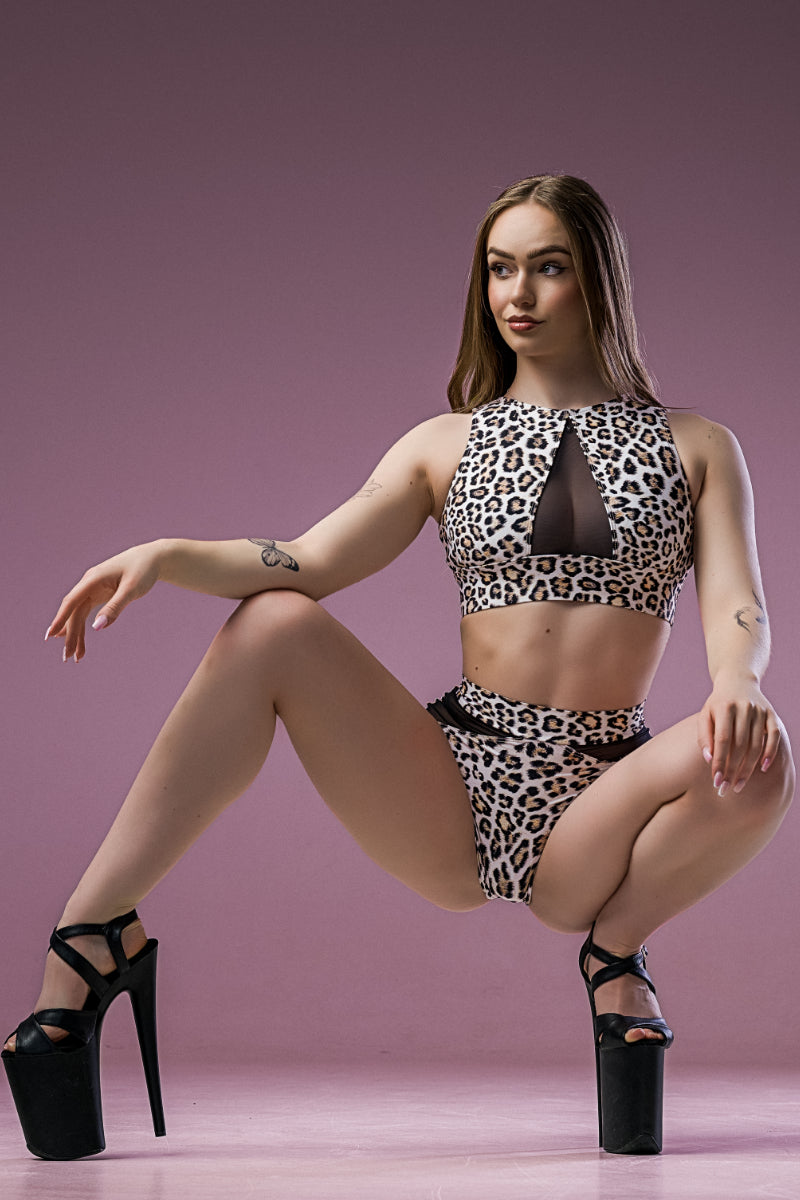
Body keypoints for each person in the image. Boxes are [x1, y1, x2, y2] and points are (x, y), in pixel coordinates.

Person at [3, 175, 793, 1160]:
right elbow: (307, 560)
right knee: (273, 624)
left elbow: (735, 602)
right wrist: (168, 555)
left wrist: (737, 678)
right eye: (500, 268)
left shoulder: (696, 446)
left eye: (548, 267)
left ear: (597, 278)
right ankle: (88, 941)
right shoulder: (442, 445)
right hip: (452, 782)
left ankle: (615, 954)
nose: (517, 294)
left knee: (762, 754)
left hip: (602, 799)